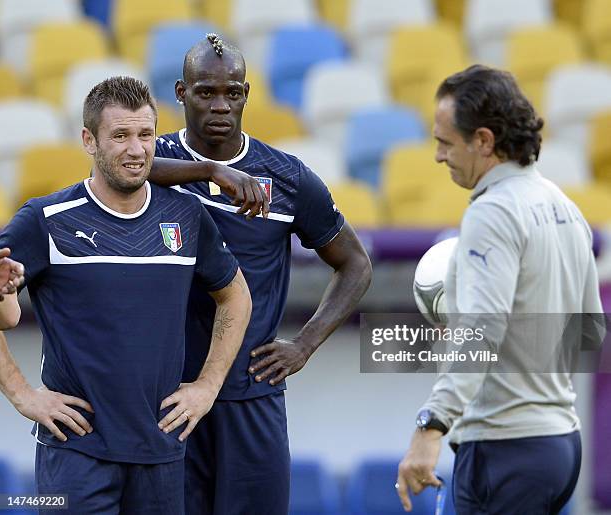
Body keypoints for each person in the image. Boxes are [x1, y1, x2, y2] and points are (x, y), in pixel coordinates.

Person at [0, 76, 252, 514]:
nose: (136, 150)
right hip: (75, 455)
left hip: (163, 454)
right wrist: (22, 393)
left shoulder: (186, 215)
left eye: (145, 134)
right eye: (120, 136)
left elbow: (236, 297)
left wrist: (208, 387)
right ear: (88, 140)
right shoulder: (46, 219)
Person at [151, 33, 372, 514]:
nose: (220, 106)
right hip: (169, 395)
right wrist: (210, 171)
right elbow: (116, 169)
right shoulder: (152, 160)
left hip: (251, 396)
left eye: (232, 92)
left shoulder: (287, 177)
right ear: (181, 93)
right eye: (206, 92)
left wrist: (304, 344)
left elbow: (355, 263)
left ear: (247, 94)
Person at [396, 65, 604, 514]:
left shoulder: (491, 214)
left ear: (484, 141)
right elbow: (590, 335)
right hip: (560, 446)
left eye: (445, 142)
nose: (437, 155)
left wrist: (430, 426)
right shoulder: (566, 208)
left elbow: (481, 331)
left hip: (504, 449)